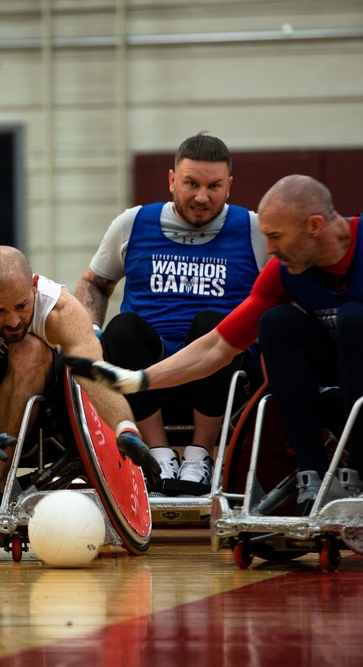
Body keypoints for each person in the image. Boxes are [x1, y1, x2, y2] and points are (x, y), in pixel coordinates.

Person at [67, 174, 363, 513]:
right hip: (356, 378)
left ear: (314, 227)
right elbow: (217, 347)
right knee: (278, 322)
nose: (268, 249)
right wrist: (138, 381)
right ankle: (313, 474)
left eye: (276, 236)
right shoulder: (286, 272)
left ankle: (358, 471)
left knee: (356, 318)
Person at [75, 133, 266, 496]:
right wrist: (90, 332)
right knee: (122, 328)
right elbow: (95, 284)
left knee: (213, 325)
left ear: (229, 186)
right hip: (149, 374)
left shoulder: (254, 229)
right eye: (191, 183)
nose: (201, 197)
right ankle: (159, 455)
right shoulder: (131, 224)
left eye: (214, 186)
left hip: (227, 379)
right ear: (171, 180)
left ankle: (200, 457)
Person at [0, 245, 161, 513]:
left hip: (42, 395)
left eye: (21, 305)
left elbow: (93, 374)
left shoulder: (61, 309)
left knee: (27, 348)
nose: (14, 321)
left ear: (34, 286)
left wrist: (124, 426)